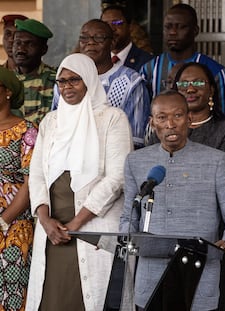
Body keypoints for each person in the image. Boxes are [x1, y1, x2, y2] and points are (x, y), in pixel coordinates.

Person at [120, 90, 225, 310]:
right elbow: (129, 215)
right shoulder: (136, 161)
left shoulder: (217, 161)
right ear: (152, 123)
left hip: (199, 277)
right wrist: (123, 237)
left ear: (189, 120)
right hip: (150, 279)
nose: (170, 124)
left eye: (178, 116)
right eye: (162, 118)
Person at [26, 53, 133, 311]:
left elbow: (117, 177)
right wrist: (45, 220)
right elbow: (37, 174)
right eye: (61, 82)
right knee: (51, 299)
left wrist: (76, 223)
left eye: (74, 80)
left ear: (89, 80)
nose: (66, 87)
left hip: (92, 225)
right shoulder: (51, 121)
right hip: (52, 230)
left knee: (92, 299)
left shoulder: (112, 118)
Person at [147, 62, 225, 311]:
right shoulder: (157, 130)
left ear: (211, 89)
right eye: (184, 83)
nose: (191, 88)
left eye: (198, 83)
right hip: (164, 236)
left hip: (209, 237)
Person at [52, 19, 150, 148]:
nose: (90, 42)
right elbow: (55, 128)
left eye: (98, 38)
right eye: (84, 38)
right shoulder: (65, 81)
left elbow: (136, 140)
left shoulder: (131, 82)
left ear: (112, 42)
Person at [140, 3, 225, 125]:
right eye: (168, 27)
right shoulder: (149, 69)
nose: (172, 32)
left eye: (180, 27)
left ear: (195, 31)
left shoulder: (217, 71)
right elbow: (143, 119)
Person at [0, 67, 37, 311]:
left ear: (8, 93)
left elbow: (32, 181)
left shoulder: (27, 131)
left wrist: (4, 221)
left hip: (13, 227)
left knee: (11, 295)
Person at [13, 18, 56, 125]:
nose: (21, 49)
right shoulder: (6, 82)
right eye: (17, 43)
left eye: (29, 44)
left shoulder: (56, 79)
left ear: (43, 49)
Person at [100, 5, 153, 71]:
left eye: (117, 23)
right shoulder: (95, 61)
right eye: (106, 24)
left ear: (130, 26)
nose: (111, 28)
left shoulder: (148, 62)